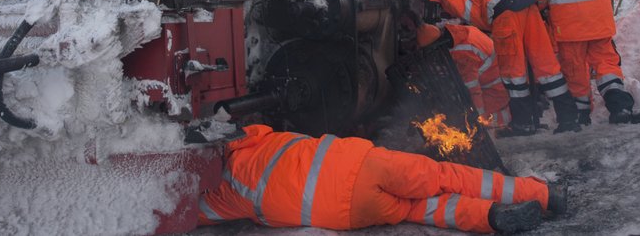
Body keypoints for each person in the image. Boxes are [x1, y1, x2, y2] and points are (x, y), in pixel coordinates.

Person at [198, 124, 567, 233]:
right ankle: (541, 194)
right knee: (445, 176)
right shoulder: (258, 138)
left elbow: (194, 212)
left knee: (423, 209)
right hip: (365, 164)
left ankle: (491, 219)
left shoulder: (229, 195)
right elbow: (248, 127)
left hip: (348, 212)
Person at [411, 0, 579, 135]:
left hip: (505, 10)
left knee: (513, 74)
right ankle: (569, 118)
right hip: (524, 1)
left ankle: (523, 125)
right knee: (546, 64)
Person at [441, 23, 512, 128]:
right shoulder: (461, 32)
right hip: (501, 81)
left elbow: (473, 89)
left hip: (496, 90)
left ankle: (506, 118)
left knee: (466, 117)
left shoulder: (462, 54)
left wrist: (479, 117)